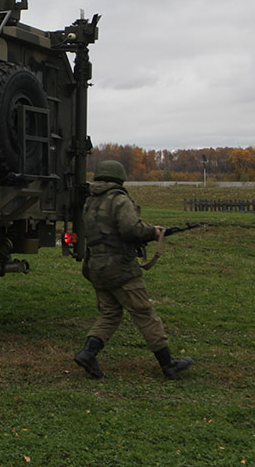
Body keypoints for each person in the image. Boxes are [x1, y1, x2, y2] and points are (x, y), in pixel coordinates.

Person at [73, 160, 194, 380]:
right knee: (144, 314)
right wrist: (153, 232)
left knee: (110, 314)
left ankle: (87, 354)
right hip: (120, 268)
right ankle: (168, 364)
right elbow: (131, 230)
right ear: (119, 177)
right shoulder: (119, 199)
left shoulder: (90, 201)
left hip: (96, 267)